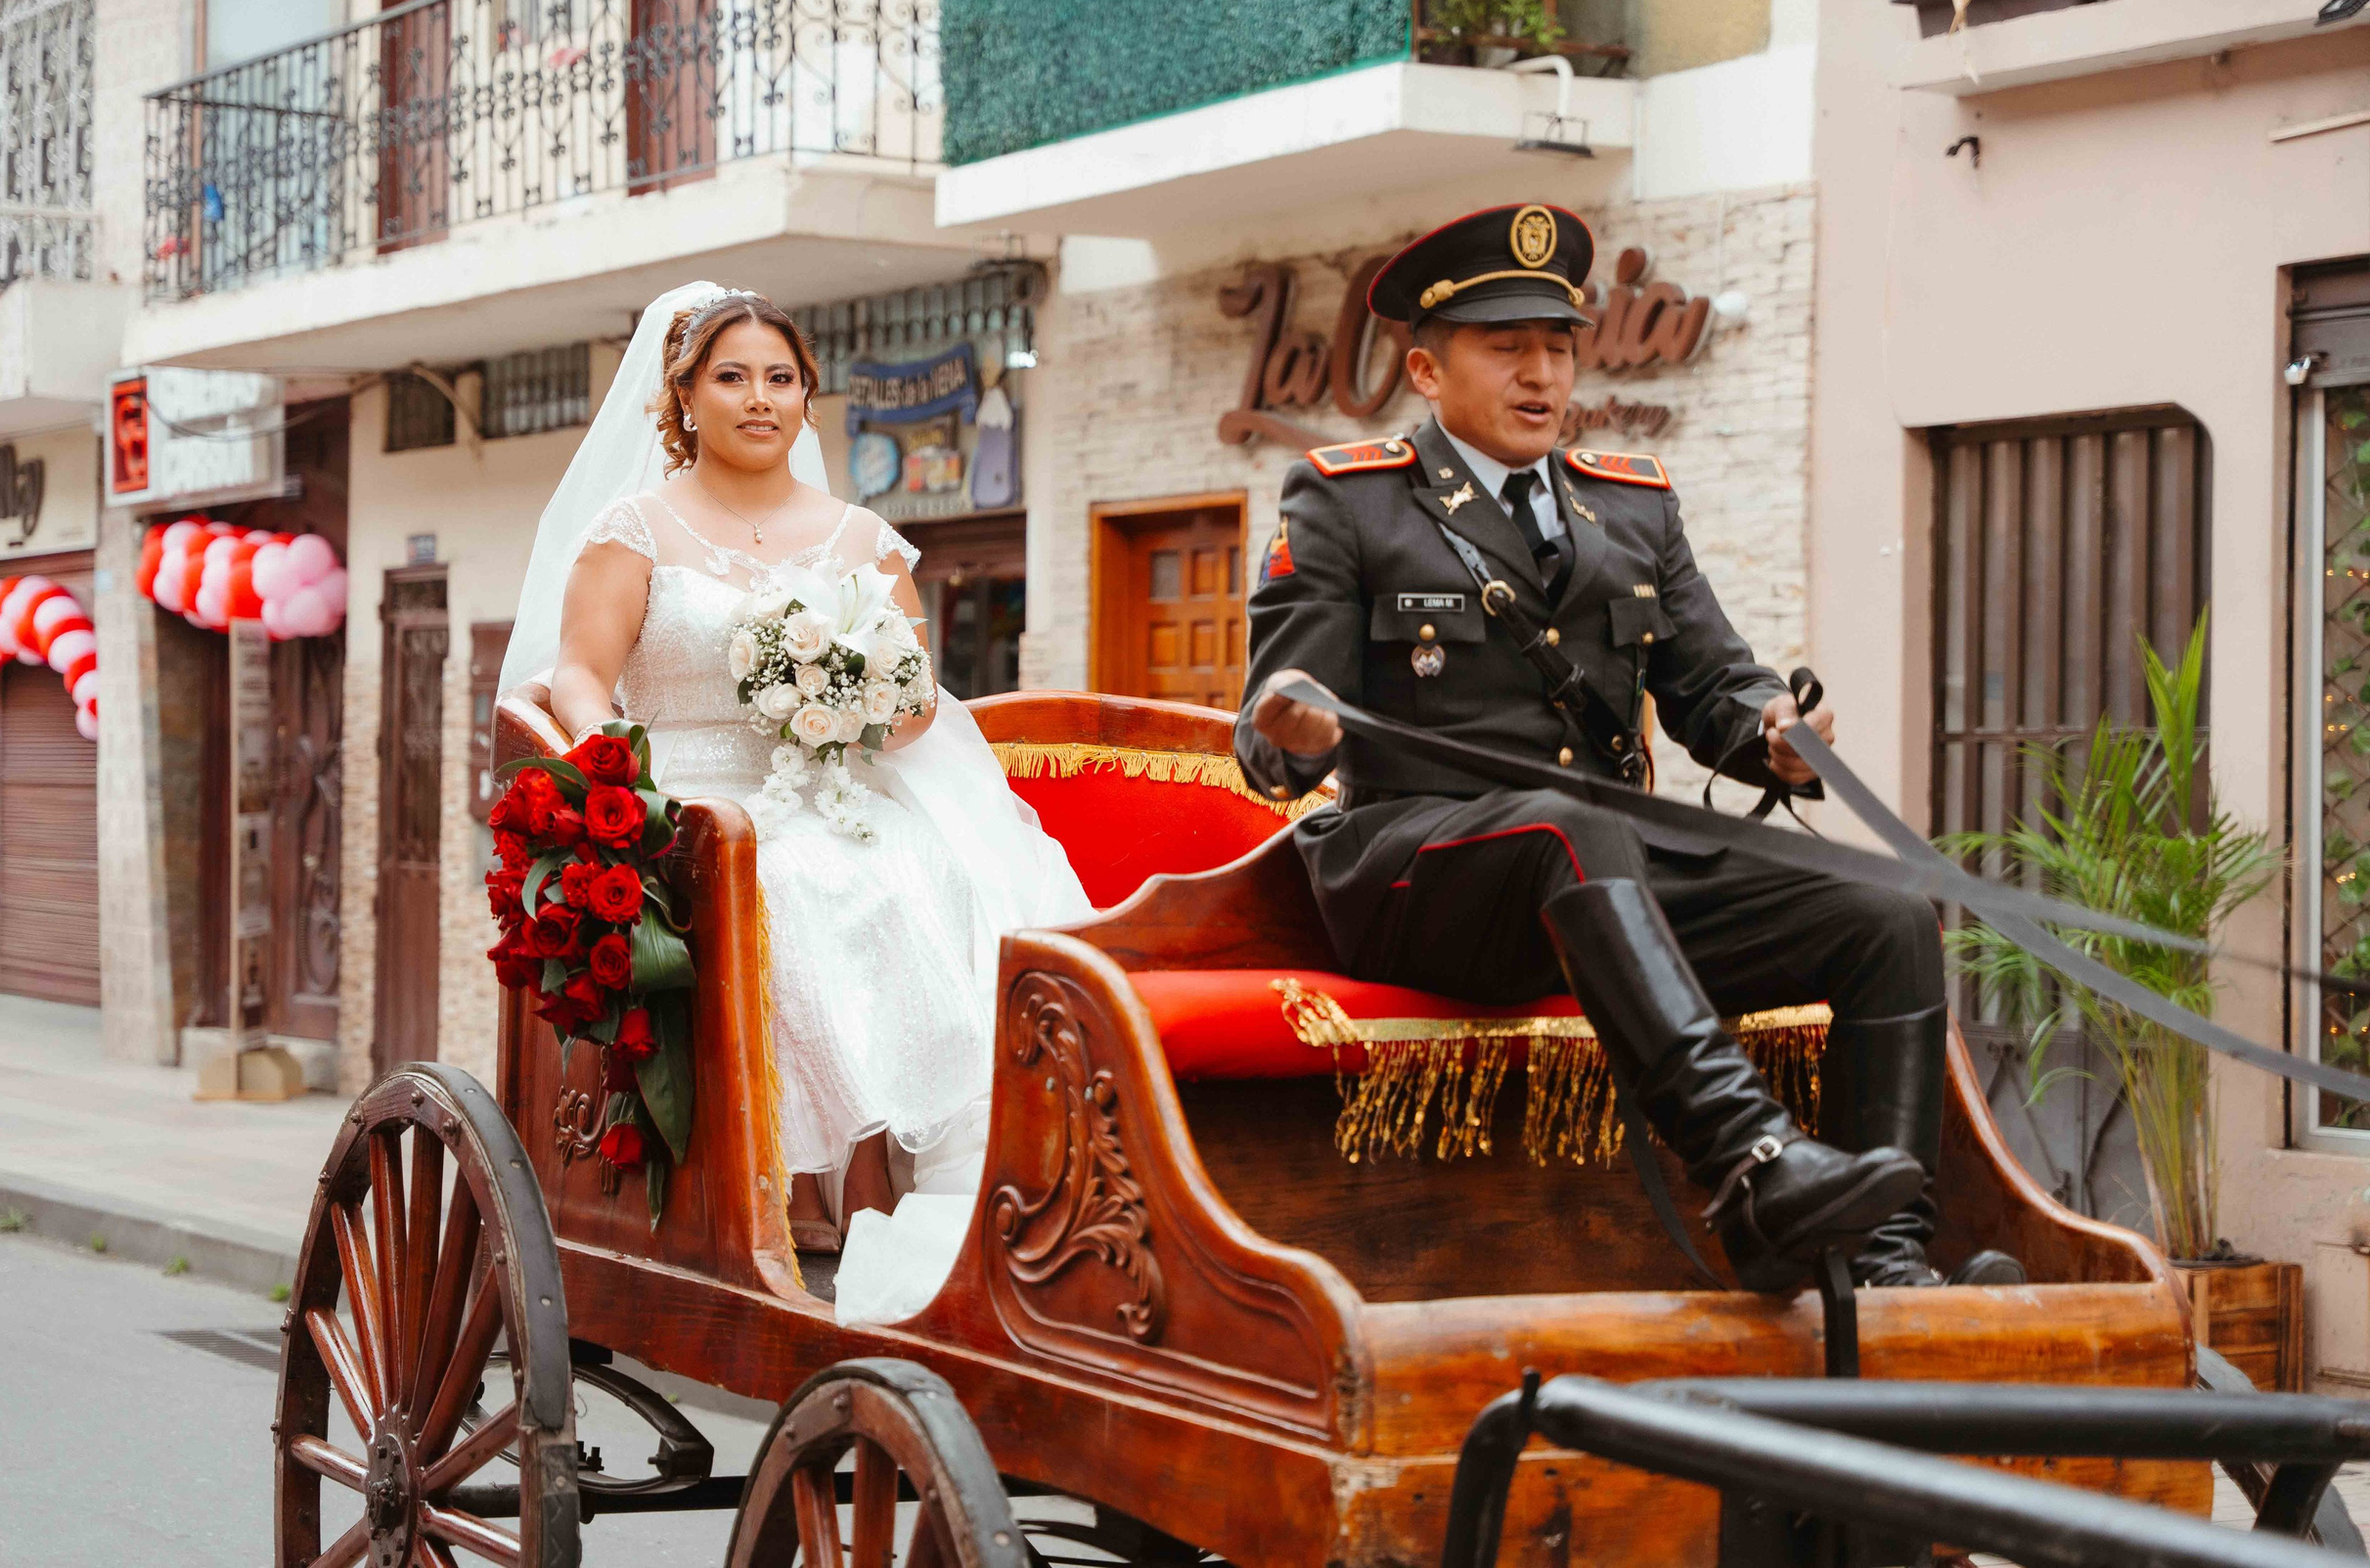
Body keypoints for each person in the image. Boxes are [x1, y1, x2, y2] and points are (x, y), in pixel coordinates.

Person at [1234, 204, 2020, 1292]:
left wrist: (1775, 738)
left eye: (1557, 346)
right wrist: (1299, 732)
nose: (1539, 374)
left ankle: (1876, 1254)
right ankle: (1755, 1170)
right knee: (1574, 827)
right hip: (1424, 878)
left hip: (1601, 873)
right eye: (1505, 348)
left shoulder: (1631, 510)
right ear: (1426, 367)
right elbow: (1272, 728)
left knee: (1883, 913)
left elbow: (1713, 683)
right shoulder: (1349, 501)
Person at [507, 282, 1093, 1324]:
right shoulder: (633, 530)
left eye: (781, 378)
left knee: (930, 876)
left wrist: (858, 696)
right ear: (683, 397)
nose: (759, 397)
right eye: (731, 377)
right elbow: (581, 678)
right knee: (801, 881)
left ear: (806, 398)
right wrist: (619, 772)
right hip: (688, 796)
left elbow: (914, 702)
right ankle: (787, 1209)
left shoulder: (858, 536)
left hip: (835, 783)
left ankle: (938, 1205)